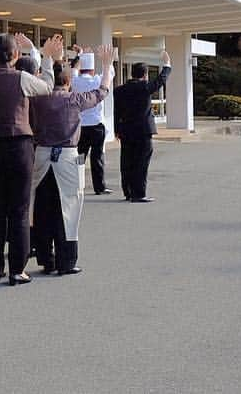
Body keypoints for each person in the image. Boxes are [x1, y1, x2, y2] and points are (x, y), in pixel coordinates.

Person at [0, 33, 62, 285]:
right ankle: (17, 269)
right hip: (20, 145)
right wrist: (46, 58)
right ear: (15, 55)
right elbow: (46, 87)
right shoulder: (21, 78)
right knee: (20, 209)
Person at [29, 44, 115, 276]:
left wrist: (46, 57)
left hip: (42, 155)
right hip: (67, 157)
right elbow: (102, 91)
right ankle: (67, 261)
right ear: (68, 82)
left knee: (42, 207)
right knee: (69, 208)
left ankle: (46, 258)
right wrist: (107, 65)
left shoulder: (37, 100)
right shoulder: (74, 100)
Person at [113, 51, 171, 203]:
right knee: (141, 163)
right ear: (145, 75)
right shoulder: (145, 87)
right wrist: (167, 64)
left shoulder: (119, 90)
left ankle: (128, 191)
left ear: (132, 74)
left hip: (125, 130)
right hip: (143, 131)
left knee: (126, 162)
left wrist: (116, 130)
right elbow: (161, 79)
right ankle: (139, 193)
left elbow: (116, 111)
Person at [70, 45, 114, 195]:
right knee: (97, 158)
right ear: (92, 70)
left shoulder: (74, 81)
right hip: (96, 125)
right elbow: (109, 75)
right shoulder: (97, 80)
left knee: (79, 157)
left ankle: (76, 184)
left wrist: (80, 55)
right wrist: (107, 61)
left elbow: (73, 69)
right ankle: (99, 187)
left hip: (80, 126)